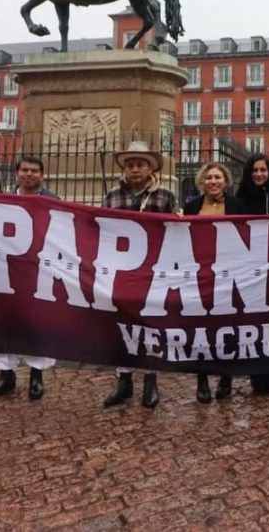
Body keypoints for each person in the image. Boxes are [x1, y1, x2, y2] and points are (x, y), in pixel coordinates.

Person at [102, 141, 179, 409]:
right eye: (131, 165)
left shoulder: (165, 196)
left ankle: (150, 379)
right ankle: (123, 380)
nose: (135, 169)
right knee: (119, 323)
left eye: (141, 165)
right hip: (121, 270)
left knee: (150, 323)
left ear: (150, 169)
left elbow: (176, 231)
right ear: (125, 169)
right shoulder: (112, 196)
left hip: (153, 270)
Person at [0, 156, 58, 402]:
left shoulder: (53, 202)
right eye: (24, 170)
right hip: (6, 269)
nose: (29, 174)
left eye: (34, 170)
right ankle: (5, 375)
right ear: (17, 174)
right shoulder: (2, 201)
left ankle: (37, 374)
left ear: (42, 175)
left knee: (38, 321)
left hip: (39, 270)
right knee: (3, 321)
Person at [183, 162, 245, 403]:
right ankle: (202, 379)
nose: (213, 181)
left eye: (218, 177)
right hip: (200, 272)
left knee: (227, 325)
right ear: (202, 181)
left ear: (226, 181)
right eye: (208, 177)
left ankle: (226, 376)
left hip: (229, 272)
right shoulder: (191, 207)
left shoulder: (238, 206)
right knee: (200, 326)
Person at [233, 153, 269, 395]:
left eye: (263, 170)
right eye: (255, 170)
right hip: (247, 266)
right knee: (252, 321)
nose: (259, 174)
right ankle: (256, 374)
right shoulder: (239, 199)